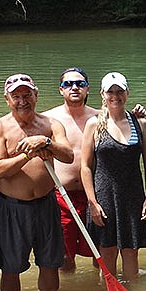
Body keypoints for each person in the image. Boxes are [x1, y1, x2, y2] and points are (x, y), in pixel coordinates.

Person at [0, 73, 74, 291]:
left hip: (47, 203)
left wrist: (46, 142)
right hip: (12, 208)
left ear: (36, 95)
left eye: (27, 94)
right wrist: (28, 154)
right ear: (7, 99)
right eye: (16, 96)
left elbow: (68, 156)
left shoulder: (51, 125)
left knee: (51, 262)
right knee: (11, 265)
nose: (22, 100)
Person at [80, 72, 146, 281]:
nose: (115, 96)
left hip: (132, 196)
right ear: (102, 94)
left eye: (119, 91)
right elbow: (85, 166)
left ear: (127, 93)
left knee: (131, 251)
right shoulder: (94, 124)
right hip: (104, 197)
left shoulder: (140, 123)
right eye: (110, 91)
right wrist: (92, 203)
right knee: (108, 251)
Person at [42, 68, 98, 272]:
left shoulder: (101, 117)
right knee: (64, 256)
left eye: (80, 84)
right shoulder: (47, 119)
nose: (74, 87)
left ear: (87, 88)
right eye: (68, 84)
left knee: (99, 249)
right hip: (60, 195)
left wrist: (137, 114)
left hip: (94, 193)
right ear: (60, 90)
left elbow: (124, 124)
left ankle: (99, 290)